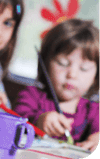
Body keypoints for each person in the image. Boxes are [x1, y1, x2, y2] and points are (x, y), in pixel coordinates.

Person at [14, 19, 99, 152]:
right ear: (45, 64)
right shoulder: (30, 96)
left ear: (96, 76)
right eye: (63, 63)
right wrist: (38, 122)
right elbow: (16, 122)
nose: (72, 75)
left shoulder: (94, 111)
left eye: (84, 68)